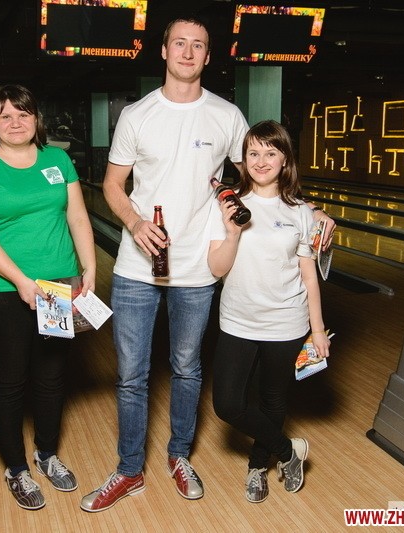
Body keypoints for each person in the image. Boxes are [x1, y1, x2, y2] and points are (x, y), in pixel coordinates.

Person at [80, 17, 334, 513]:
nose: (188, 52)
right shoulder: (137, 114)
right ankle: (129, 470)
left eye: (198, 45)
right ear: (164, 50)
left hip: (197, 269)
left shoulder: (226, 115)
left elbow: (260, 172)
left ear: (208, 56)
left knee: (187, 368)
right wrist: (134, 222)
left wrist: (310, 210)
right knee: (131, 375)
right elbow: (112, 184)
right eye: (179, 43)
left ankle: (179, 456)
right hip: (136, 268)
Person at [0, 84, 96, 511]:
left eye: (24, 114)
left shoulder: (58, 160)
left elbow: (77, 215)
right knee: (10, 380)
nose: (15, 122)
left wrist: (89, 268)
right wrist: (20, 280)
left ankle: (47, 454)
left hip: (57, 287)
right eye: (6, 115)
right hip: (4, 290)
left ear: (36, 119)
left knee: (52, 375)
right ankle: (16, 468)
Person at [207, 120, 330, 504]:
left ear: (285, 159)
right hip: (237, 321)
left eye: (270, 153)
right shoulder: (226, 205)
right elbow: (216, 268)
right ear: (243, 160)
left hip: (286, 322)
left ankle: (258, 466)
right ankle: (289, 451)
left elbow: (309, 276)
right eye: (253, 153)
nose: (261, 161)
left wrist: (318, 329)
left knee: (273, 399)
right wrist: (232, 233)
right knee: (228, 404)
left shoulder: (302, 212)